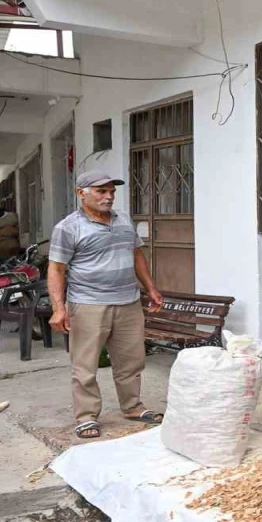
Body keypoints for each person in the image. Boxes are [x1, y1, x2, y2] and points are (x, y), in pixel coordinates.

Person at [48, 171, 165, 439]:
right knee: (85, 366)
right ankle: (87, 416)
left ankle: (133, 407)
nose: (109, 196)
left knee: (131, 361)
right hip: (88, 304)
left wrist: (151, 288)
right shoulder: (68, 227)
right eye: (101, 191)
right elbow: (56, 269)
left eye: (111, 191)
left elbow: (136, 255)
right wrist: (58, 308)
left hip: (128, 302)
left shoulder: (123, 219)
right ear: (81, 193)